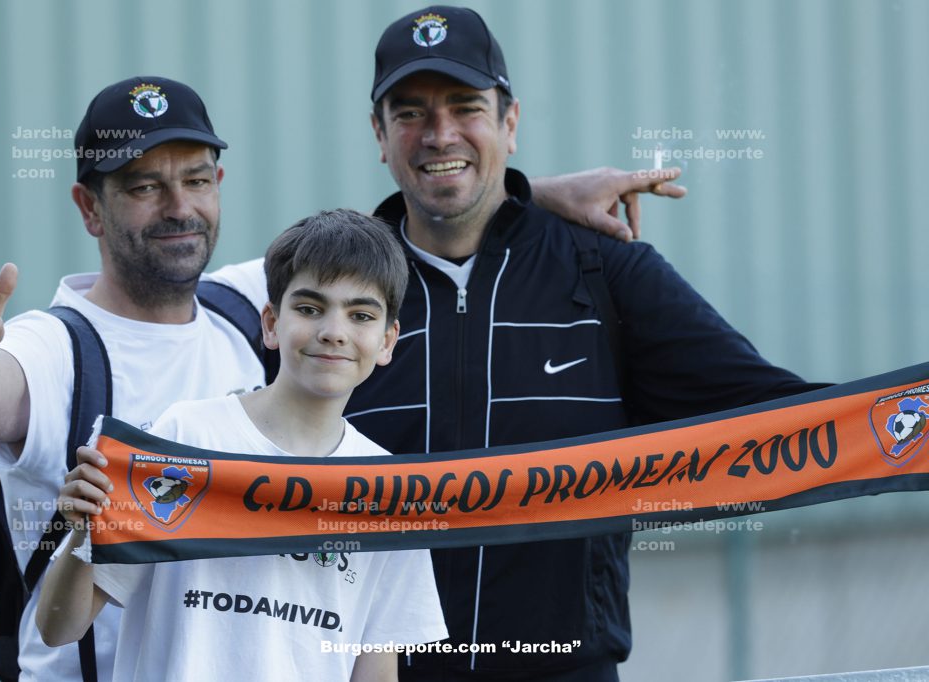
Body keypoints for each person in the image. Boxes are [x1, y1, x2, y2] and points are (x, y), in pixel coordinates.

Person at [0, 72, 684, 680]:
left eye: (196, 179)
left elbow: (367, 248)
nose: (177, 207)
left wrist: (530, 194)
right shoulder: (57, 350)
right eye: (144, 187)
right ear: (89, 207)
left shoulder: (240, 308)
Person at [342, 6, 825, 681]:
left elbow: (781, 413)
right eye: (411, 113)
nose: (439, 133)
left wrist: (903, 425)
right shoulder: (337, 293)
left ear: (511, 123)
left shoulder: (605, 273)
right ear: (379, 133)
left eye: (466, 107)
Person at [36, 208, 447, 682]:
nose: (334, 331)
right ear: (271, 323)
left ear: (387, 340)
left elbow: (374, 670)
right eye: (309, 309)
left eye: (360, 315)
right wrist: (84, 533)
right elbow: (58, 628)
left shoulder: (391, 491)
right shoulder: (183, 438)